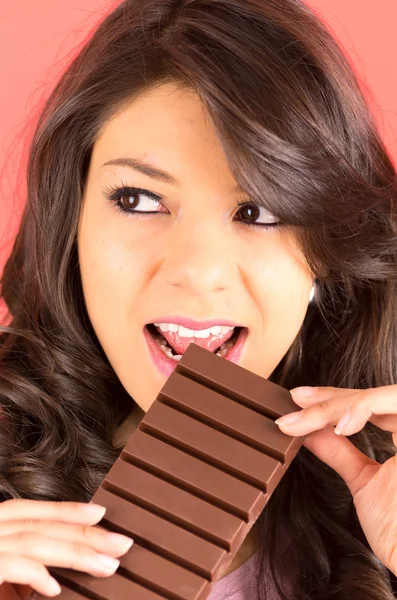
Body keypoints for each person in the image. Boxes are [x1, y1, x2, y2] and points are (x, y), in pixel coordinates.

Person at [0, 0, 396, 598]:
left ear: (327, 249)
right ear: (70, 225)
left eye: (259, 211)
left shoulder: (371, 500)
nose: (198, 272)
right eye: (137, 199)